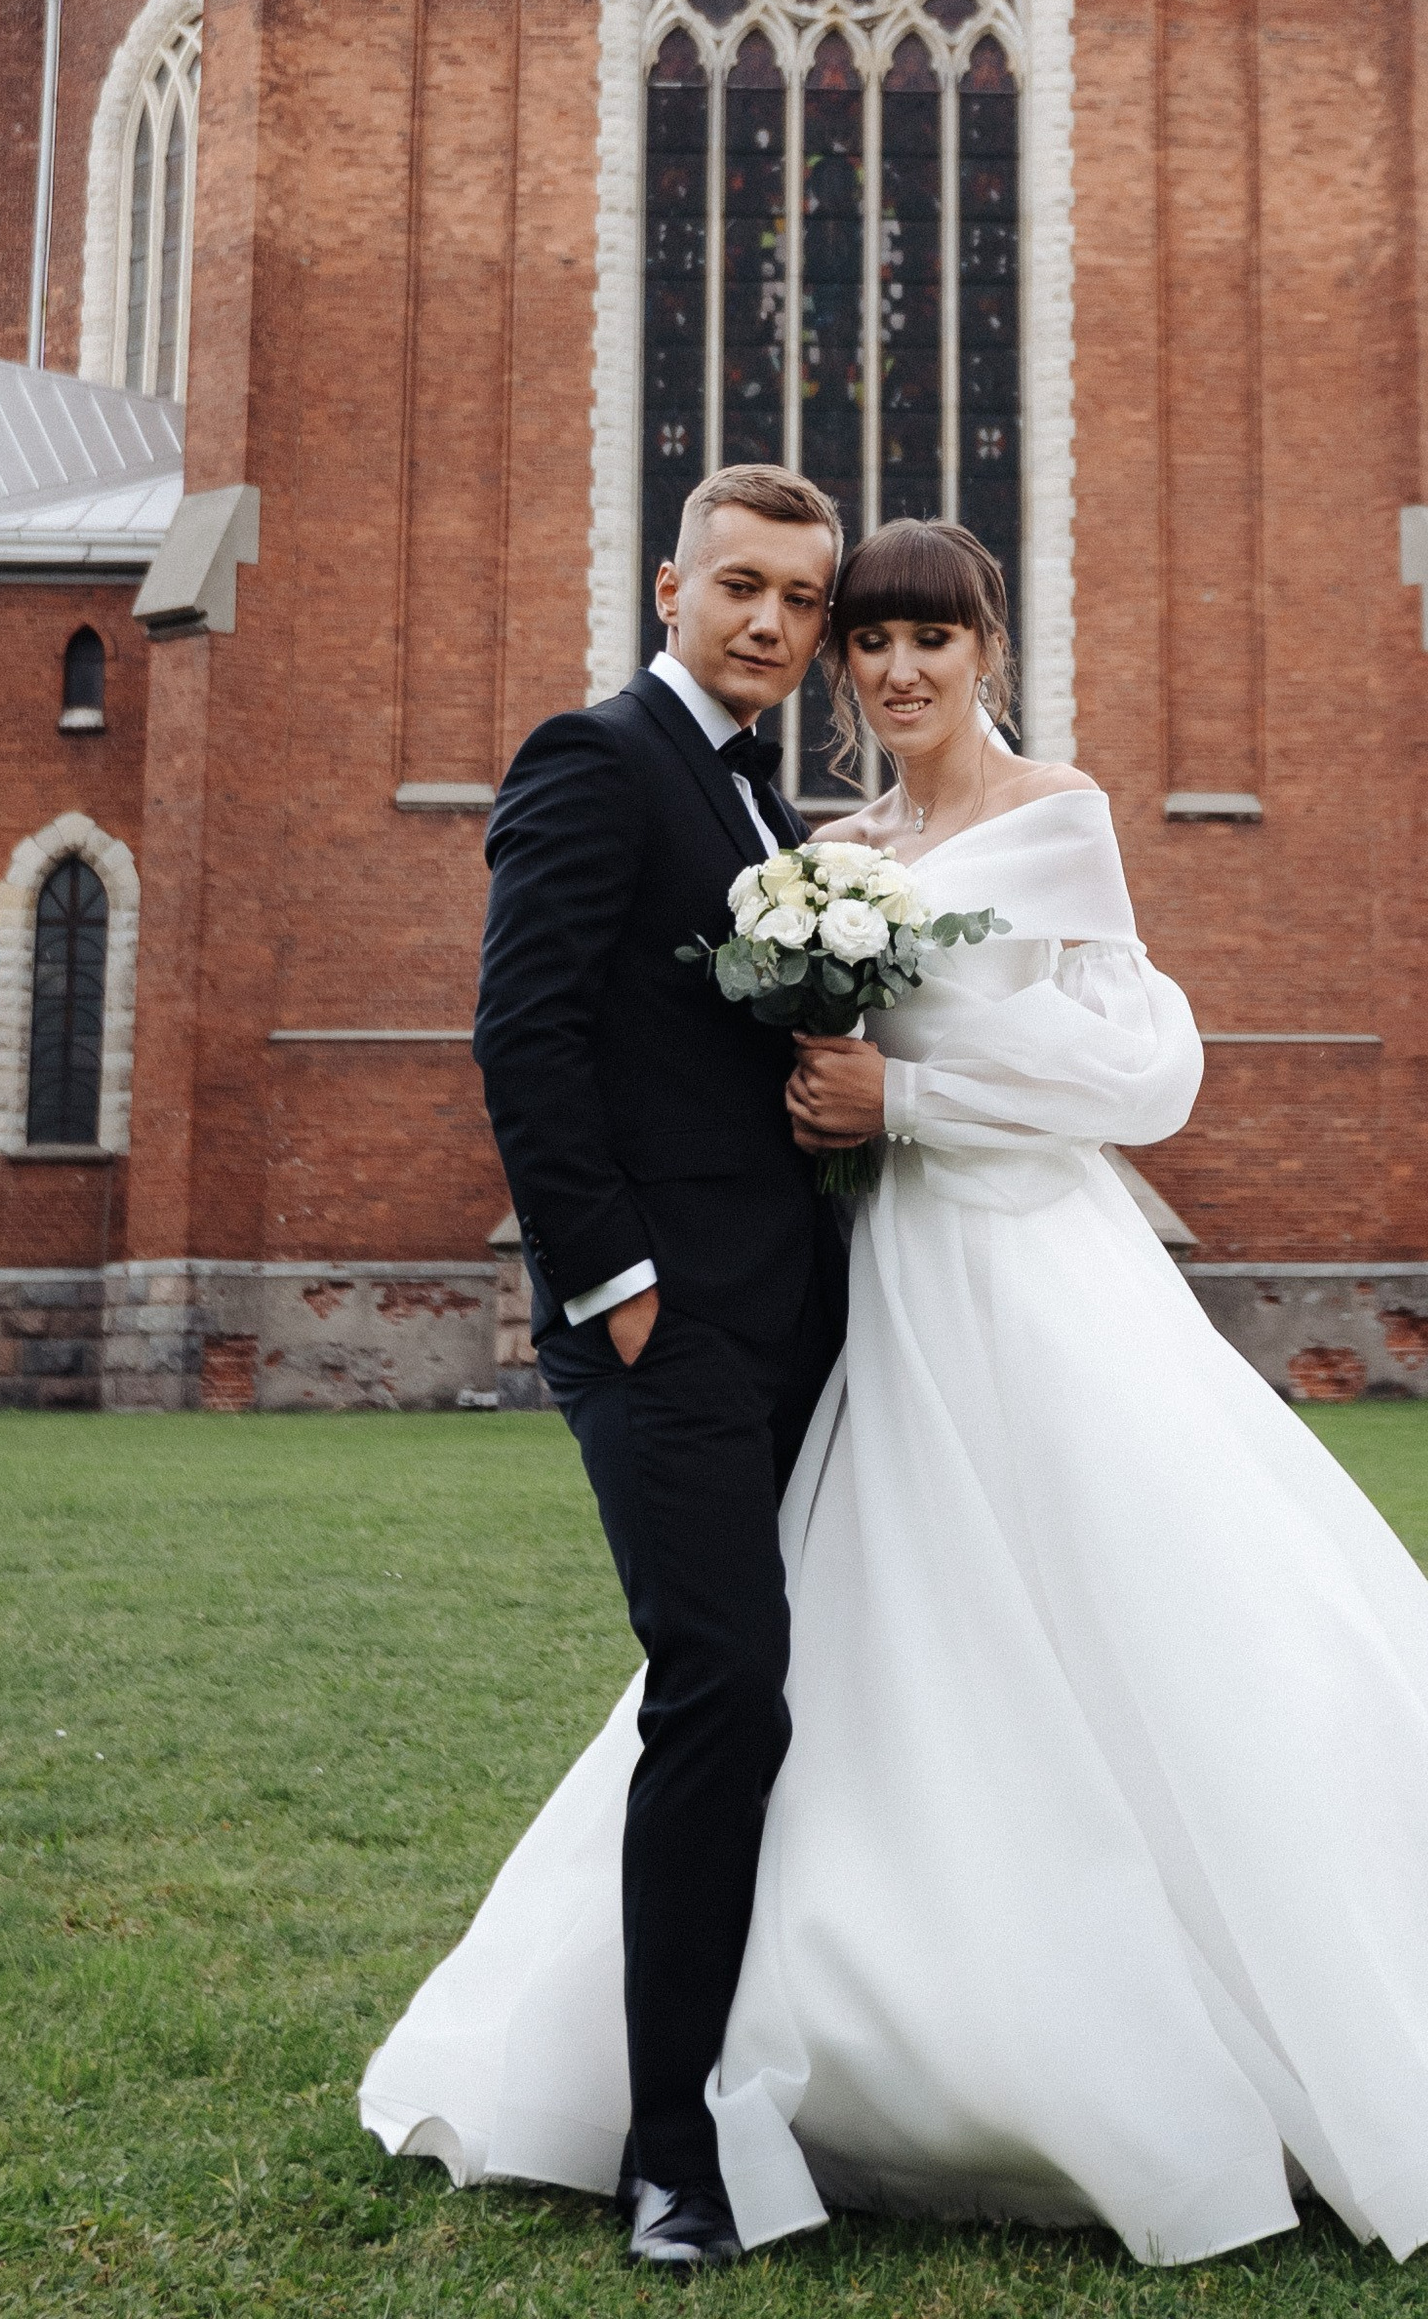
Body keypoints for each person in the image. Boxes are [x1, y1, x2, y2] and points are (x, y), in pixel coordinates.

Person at [366, 518, 1428, 2270]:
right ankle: (815, 2057)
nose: (896, 667)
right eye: (871, 642)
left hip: (1032, 1276)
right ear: (792, 644)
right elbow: (631, 1038)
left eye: (926, 636)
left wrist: (903, 1109)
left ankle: (1269, 2038)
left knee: (1148, 1629)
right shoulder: (814, 842)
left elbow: (1143, 1072)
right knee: (860, 1647)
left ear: (990, 649)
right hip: (873, 1293)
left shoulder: (1056, 815)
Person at [458, 461, 849, 2272]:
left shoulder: (762, 808)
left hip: (794, 1315)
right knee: (726, 1685)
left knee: (755, 1697)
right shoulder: (592, 758)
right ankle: (666, 2149)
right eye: (743, 587)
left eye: (804, 604)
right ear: (672, 582)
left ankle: (779, 2064)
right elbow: (523, 1030)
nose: (770, 623)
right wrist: (611, 1280)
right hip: (661, 1323)